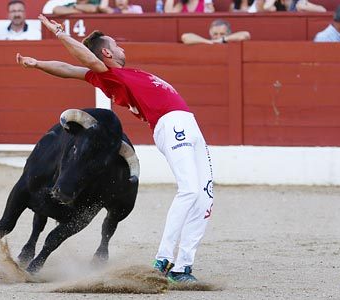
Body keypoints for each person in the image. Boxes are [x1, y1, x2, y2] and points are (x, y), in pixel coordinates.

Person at [17, 14, 215, 283]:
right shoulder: (110, 76)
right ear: (107, 52)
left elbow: (68, 69)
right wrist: (60, 33)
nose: (123, 49)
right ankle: (163, 260)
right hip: (170, 123)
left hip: (187, 122)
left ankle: (182, 267)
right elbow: (83, 62)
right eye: (117, 46)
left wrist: (38, 63)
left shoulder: (118, 75)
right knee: (190, 189)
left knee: (204, 196)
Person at [181, 19, 251, 44]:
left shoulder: (229, 41)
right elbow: (185, 37)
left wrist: (223, 40)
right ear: (210, 33)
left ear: (228, 34)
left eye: (222, 34)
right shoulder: (207, 42)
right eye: (215, 34)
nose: (218, 37)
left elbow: (246, 35)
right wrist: (207, 42)